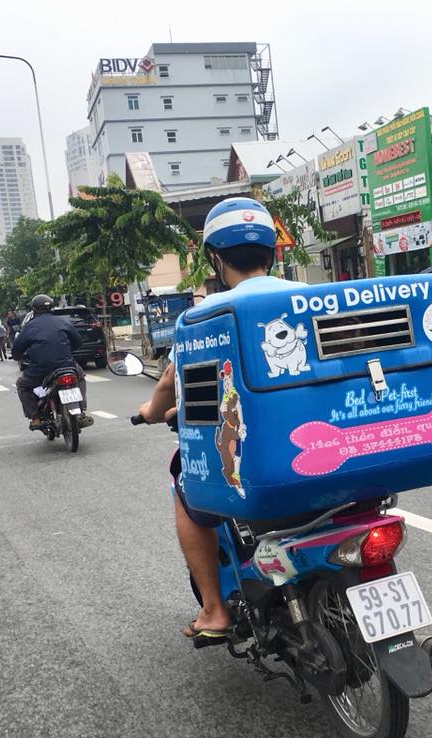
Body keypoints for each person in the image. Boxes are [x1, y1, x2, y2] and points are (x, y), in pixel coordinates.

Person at [136, 197, 299, 639]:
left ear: (216, 258)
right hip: (328, 446)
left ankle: (214, 610)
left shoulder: (204, 318)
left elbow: (172, 382)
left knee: (185, 491)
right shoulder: (310, 299)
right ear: (272, 251)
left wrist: (151, 411)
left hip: (261, 461)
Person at [11, 294, 93, 429]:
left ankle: (35, 418)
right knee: (80, 377)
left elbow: (16, 352)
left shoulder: (29, 326)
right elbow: (78, 342)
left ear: (34, 310)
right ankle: (81, 410)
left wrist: (19, 356)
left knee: (22, 385)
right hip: (66, 365)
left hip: (41, 370)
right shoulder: (62, 322)